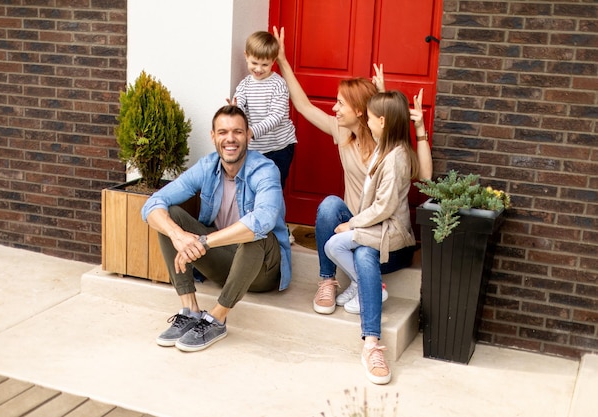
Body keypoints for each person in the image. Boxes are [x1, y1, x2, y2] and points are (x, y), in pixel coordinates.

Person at [272, 26, 433, 315]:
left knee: (361, 251)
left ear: (361, 112)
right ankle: (327, 280)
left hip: (383, 237)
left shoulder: (388, 144)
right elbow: (303, 106)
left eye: (340, 103)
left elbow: (424, 175)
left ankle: (366, 294)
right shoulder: (342, 133)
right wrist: (282, 60)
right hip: (355, 227)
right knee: (330, 206)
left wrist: (415, 127)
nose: (334, 109)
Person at [141, 105, 291, 352]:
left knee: (256, 236)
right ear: (213, 136)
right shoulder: (207, 167)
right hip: (223, 262)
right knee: (171, 217)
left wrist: (203, 242)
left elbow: (263, 220)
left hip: (262, 270)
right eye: (222, 132)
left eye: (237, 132)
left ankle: (218, 318)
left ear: (248, 135)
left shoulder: (264, 169)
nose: (230, 139)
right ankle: (190, 310)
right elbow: (152, 204)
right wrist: (179, 236)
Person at [324, 91, 419, 384]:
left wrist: (353, 224)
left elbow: (384, 207)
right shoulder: (383, 146)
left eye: (370, 115)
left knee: (353, 248)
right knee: (333, 244)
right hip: (376, 230)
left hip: (393, 237)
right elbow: (391, 112)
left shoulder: (397, 157)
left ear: (383, 121)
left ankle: (371, 344)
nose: (365, 118)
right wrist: (381, 88)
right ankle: (371, 286)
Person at [229, 30, 297, 189]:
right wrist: (234, 110)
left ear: (273, 61)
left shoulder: (278, 84)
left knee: (273, 187)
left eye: (264, 65)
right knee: (253, 186)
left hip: (279, 148)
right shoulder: (245, 84)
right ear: (246, 56)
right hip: (254, 149)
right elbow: (240, 103)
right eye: (254, 63)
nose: (258, 69)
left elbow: (277, 116)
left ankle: (274, 213)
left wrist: (252, 131)